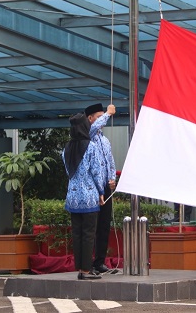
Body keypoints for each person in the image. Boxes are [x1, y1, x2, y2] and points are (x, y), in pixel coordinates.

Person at [62, 112, 106, 280]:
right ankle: (86, 270)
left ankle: (80, 268)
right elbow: (96, 172)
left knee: (77, 234)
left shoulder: (66, 149)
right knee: (89, 234)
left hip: (72, 197)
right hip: (89, 196)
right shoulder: (90, 147)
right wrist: (101, 192)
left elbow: (68, 171)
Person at [85, 103, 118, 275]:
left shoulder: (104, 140)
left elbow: (110, 161)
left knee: (104, 225)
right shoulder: (88, 135)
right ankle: (88, 263)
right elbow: (95, 126)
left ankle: (99, 261)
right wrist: (108, 113)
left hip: (105, 185)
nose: (101, 121)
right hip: (93, 186)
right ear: (90, 119)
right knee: (93, 225)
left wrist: (112, 178)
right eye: (97, 117)